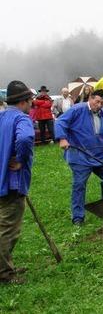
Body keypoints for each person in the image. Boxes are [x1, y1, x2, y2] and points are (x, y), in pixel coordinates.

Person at [54, 89, 103, 226]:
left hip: (102, 155)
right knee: (79, 184)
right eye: (97, 102)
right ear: (90, 98)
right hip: (81, 156)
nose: (99, 105)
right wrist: (62, 139)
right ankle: (78, 217)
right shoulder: (77, 110)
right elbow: (60, 122)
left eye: (102, 103)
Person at [0, 81, 34, 284]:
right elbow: (25, 139)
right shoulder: (21, 119)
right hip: (12, 183)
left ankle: (6, 265)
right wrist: (21, 160)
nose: (32, 105)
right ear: (24, 101)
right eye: (31, 101)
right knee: (8, 228)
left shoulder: (1, 116)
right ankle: (4, 273)